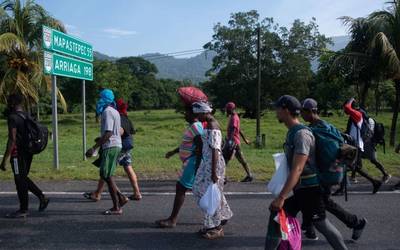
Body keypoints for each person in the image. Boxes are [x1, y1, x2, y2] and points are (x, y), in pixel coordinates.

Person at [265, 95, 347, 250]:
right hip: (302, 189)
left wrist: (281, 197)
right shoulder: (292, 132)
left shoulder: (302, 135)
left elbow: (298, 168)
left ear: (285, 110)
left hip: (310, 189)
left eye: (277, 109)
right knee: (277, 215)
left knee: (322, 224)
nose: (275, 112)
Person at [300, 98, 367, 241]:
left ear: (311, 111)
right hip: (335, 170)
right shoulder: (329, 126)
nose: (301, 114)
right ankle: (308, 227)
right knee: (311, 198)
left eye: (303, 111)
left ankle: (355, 223)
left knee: (320, 201)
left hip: (323, 173)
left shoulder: (313, 131)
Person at [0, 93, 49, 218]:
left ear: (12, 103)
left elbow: (12, 139)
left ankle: (24, 210)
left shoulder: (12, 118)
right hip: (28, 152)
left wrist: (5, 159)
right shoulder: (26, 115)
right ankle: (41, 197)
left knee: (20, 180)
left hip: (17, 154)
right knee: (22, 177)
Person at [83, 98, 142, 201]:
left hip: (120, 146)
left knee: (106, 170)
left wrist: (105, 138)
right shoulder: (126, 117)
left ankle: (98, 193)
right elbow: (131, 131)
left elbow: (120, 131)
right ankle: (137, 193)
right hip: (127, 145)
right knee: (127, 167)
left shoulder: (119, 117)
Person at [155, 107, 204, 228]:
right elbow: (187, 143)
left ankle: (173, 219)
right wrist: (173, 152)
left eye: (186, 112)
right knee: (203, 190)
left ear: (193, 114)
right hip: (191, 162)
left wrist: (197, 167)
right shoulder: (194, 126)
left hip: (192, 162)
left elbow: (200, 147)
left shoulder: (196, 127)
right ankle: (221, 215)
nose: (184, 115)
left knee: (181, 188)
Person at [192, 102, 233, 240]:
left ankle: (216, 227)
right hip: (208, 162)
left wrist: (214, 172)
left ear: (205, 113)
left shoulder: (212, 125)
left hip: (213, 164)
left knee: (209, 195)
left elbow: (215, 149)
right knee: (203, 190)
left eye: (198, 114)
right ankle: (222, 216)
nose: (197, 117)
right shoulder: (209, 124)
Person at [85, 89, 127, 215]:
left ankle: (117, 207)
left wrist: (94, 147)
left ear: (104, 99)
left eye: (100, 98)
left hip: (111, 146)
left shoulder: (108, 112)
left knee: (107, 175)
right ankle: (121, 198)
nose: (99, 100)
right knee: (105, 175)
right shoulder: (114, 111)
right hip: (114, 145)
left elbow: (109, 133)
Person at [333, 98, 382, 195]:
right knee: (354, 167)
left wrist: (350, 100)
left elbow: (347, 108)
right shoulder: (353, 116)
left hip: (356, 146)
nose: (344, 110)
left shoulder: (358, 115)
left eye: (344, 107)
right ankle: (375, 182)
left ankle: (342, 189)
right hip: (353, 144)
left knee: (347, 165)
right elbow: (351, 131)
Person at [224, 102, 253, 182]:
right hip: (235, 142)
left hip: (233, 143)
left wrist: (229, 141)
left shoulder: (234, 118)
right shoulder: (234, 117)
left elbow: (234, 129)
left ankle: (223, 177)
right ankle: (249, 175)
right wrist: (245, 139)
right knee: (240, 159)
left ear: (231, 109)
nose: (226, 110)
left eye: (227, 109)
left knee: (225, 159)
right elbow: (239, 129)